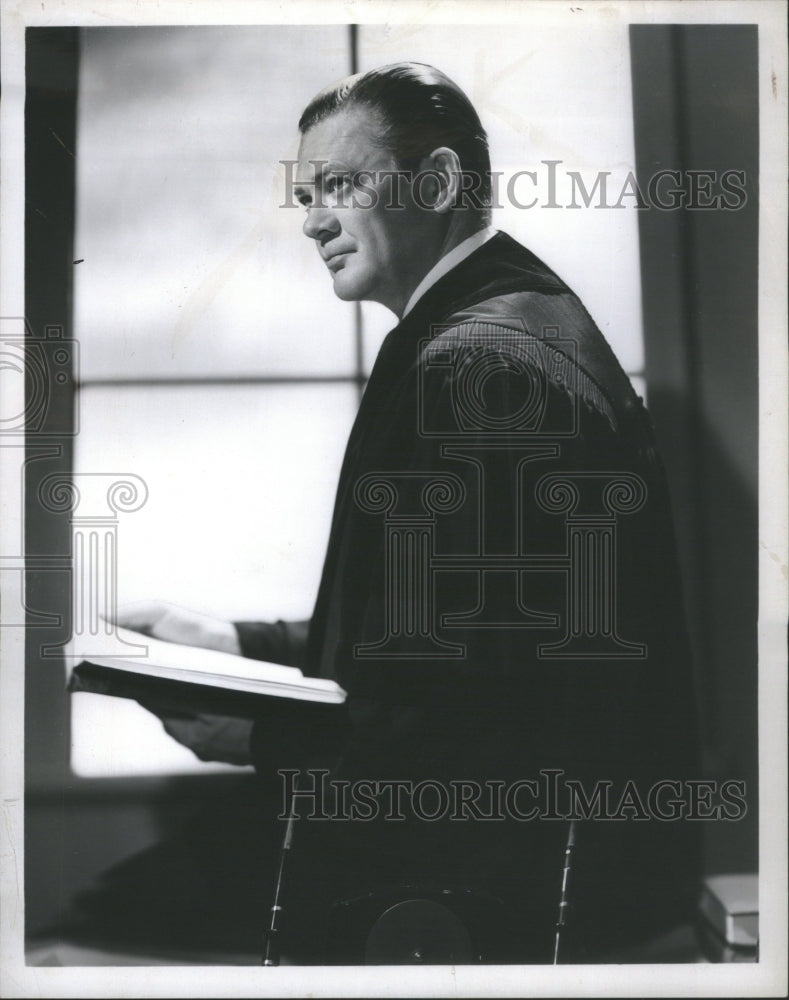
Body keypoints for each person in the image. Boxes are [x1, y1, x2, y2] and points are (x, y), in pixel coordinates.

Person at [120, 63, 701, 964]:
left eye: (341, 185)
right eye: (305, 195)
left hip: (483, 899)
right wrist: (230, 641)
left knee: (120, 916)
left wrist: (259, 734)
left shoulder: (476, 364)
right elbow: (437, 635)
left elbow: (474, 715)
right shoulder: (504, 321)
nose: (312, 220)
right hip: (498, 872)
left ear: (435, 183)